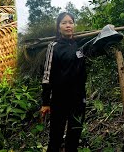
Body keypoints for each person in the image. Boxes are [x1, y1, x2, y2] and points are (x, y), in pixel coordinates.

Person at [40, 12, 87, 152]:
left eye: (71, 22)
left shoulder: (80, 45)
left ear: (74, 25)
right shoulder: (53, 46)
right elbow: (47, 75)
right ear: (58, 27)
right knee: (55, 137)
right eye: (64, 23)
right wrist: (45, 102)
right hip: (59, 99)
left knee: (74, 136)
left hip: (78, 99)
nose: (68, 25)